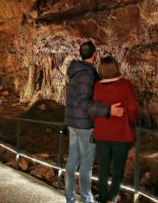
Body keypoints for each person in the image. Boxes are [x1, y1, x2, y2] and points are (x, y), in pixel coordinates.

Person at [65, 41, 124, 203]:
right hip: (84, 126)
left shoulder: (76, 72)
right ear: (95, 55)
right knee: (86, 165)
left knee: (72, 161)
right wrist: (108, 110)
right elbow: (85, 103)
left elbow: (73, 99)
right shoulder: (87, 74)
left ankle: (70, 198)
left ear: (80, 53)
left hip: (72, 122)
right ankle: (86, 199)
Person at [93, 56, 138, 203]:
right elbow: (132, 108)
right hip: (121, 133)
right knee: (118, 168)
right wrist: (130, 124)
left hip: (102, 134)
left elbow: (93, 110)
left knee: (103, 167)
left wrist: (98, 122)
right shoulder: (126, 85)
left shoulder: (97, 86)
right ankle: (112, 197)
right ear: (116, 68)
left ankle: (103, 197)